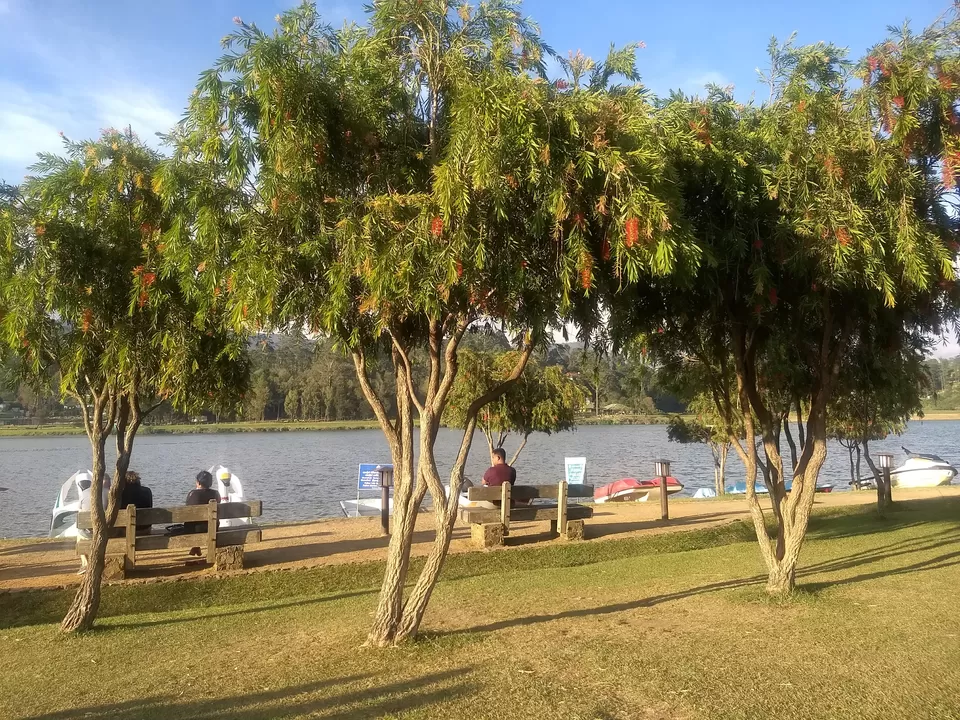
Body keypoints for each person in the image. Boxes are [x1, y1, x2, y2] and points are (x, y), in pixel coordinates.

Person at [186, 470, 220, 559]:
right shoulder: (216, 494)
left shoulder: (192, 494)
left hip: (194, 529)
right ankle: (196, 547)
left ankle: (196, 546)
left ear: (198, 482)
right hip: (213, 528)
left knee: (193, 522)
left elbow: (188, 512)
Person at [120, 471, 153, 535]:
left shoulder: (121, 494)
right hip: (145, 529)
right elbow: (150, 506)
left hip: (126, 531)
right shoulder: (147, 491)